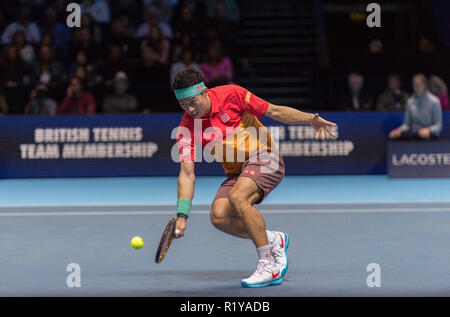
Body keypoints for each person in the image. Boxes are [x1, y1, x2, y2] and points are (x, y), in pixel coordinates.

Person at [172, 68, 337, 287]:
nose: (190, 109)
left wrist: (309, 120)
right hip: (236, 172)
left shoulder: (232, 94)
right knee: (219, 217)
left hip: (266, 158)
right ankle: (273, 240)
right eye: (183, 104)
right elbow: (186, 173)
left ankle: (268, 266)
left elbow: (274, 111)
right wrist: (182, 215)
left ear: (204, 92)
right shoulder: (186, 127)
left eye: (193, 102)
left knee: (238, 197)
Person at [389, 74, 442, 140]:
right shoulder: (410, 101)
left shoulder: (434, 101)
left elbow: (438, 126)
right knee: (395, 136)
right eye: (415, 85)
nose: (417, 87)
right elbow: (407, 125)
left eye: (419, 84)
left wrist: (429, 130)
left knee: (424, 136)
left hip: (429, 135)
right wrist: (399, 130)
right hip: (414, 135)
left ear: (425, 85)